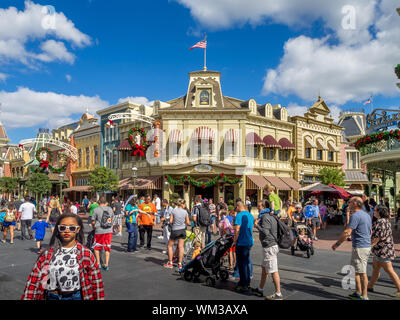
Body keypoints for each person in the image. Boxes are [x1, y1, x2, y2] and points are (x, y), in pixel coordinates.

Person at [22, 213, 104, 300]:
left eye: (72, 228)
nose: (67, 231)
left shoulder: (85, 254)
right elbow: (33, 281)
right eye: (63, 227)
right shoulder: (48, 254)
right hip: (52, 296)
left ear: (77, 229)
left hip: (75, 296)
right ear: (58, 229)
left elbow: (96, 282)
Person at [332, 197, 372, 300]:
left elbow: (347, 232)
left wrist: (337, 244)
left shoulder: (356, 215)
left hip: (360, 247)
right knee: (356, 271)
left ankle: (365, 296)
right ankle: (358, 292)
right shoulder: (366, 215)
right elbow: (370, 231)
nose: (347, 204)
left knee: (362, 272)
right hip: (363, 246)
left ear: (354, 203)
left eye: (349, 202)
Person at [367, 205, 400, 297]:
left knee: (389, 270)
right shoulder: (386, 221)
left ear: (379, 212)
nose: (374, 211)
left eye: (375, 210)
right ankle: (370, 285)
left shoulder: (380, 222)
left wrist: (369, 246)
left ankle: (399, 289)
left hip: (383, 250)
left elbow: (377, 237)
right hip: (382, 249)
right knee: (375, 268)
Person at [253, 205, 283, 300]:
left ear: (263, 207)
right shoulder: (272, 215)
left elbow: (265, 232)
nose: (258, 208)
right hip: (270, 245)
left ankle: (278, 294)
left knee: (273, 270)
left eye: (259, 206)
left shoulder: (265, 217)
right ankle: (260, 289)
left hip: (269, 246)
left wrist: (257, 225)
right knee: (264, 268)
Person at [233, 201, 254, 294]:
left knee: (242, 263)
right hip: (249, 241)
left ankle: (244, 284)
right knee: (246, 262)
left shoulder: (239, 215)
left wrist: (234, 241)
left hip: (241, 241)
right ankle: (246, 281)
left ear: (238, 207)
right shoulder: (250, 215)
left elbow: (237, 229)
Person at [163, 199, 191, 270]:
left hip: (175, 230)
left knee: (169, 246)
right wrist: (183, 222)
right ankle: (180, 264)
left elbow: (171, 221)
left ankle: (170, 262)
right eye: (184, 204)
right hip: (182, 230)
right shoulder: (185, 212)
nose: (185, 205)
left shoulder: (174, 210)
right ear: (182, 204)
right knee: (181, 247)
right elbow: (188, 223)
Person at [91, 197, 114, 271]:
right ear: (106, 202)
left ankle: (98, 263)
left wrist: (94, 227)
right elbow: (112, 218)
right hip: (108, 230)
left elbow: (93, 221)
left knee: (97, 247)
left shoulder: (96, 210)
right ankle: (106, 264)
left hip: (99, 231)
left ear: (99, 202)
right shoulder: (110, 209)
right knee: (107, 247)